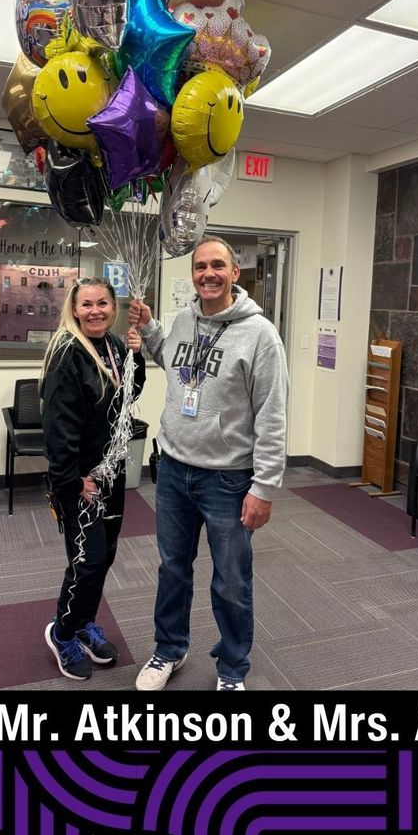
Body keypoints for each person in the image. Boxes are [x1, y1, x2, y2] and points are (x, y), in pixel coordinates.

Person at [128, 235, 288, 691]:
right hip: (174, 470)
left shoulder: (260, 335)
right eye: (200, 267)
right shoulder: (184, 320)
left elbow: (273, 414)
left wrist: (264, 487)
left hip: (229, 479)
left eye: (218, 265)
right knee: (172, 569)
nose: (208, 274)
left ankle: (232, 670)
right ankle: (169, 649)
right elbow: (172, 360)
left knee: (231, 581)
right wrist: (151, 328)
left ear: (235, 273)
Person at [40, 277, 146, 680]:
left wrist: (136, 357)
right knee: (88, 561)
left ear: (113, 308)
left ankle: (84, 622)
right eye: (86, 304)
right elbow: (57, 426)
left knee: (106, 556)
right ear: (74, 309)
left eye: (102, 303)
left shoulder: (114, 346)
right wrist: (70, 481)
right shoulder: (67, 352)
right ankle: (63, 632)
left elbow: (129, 395)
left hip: (111, 473)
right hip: (80, 479)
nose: (95, 311)